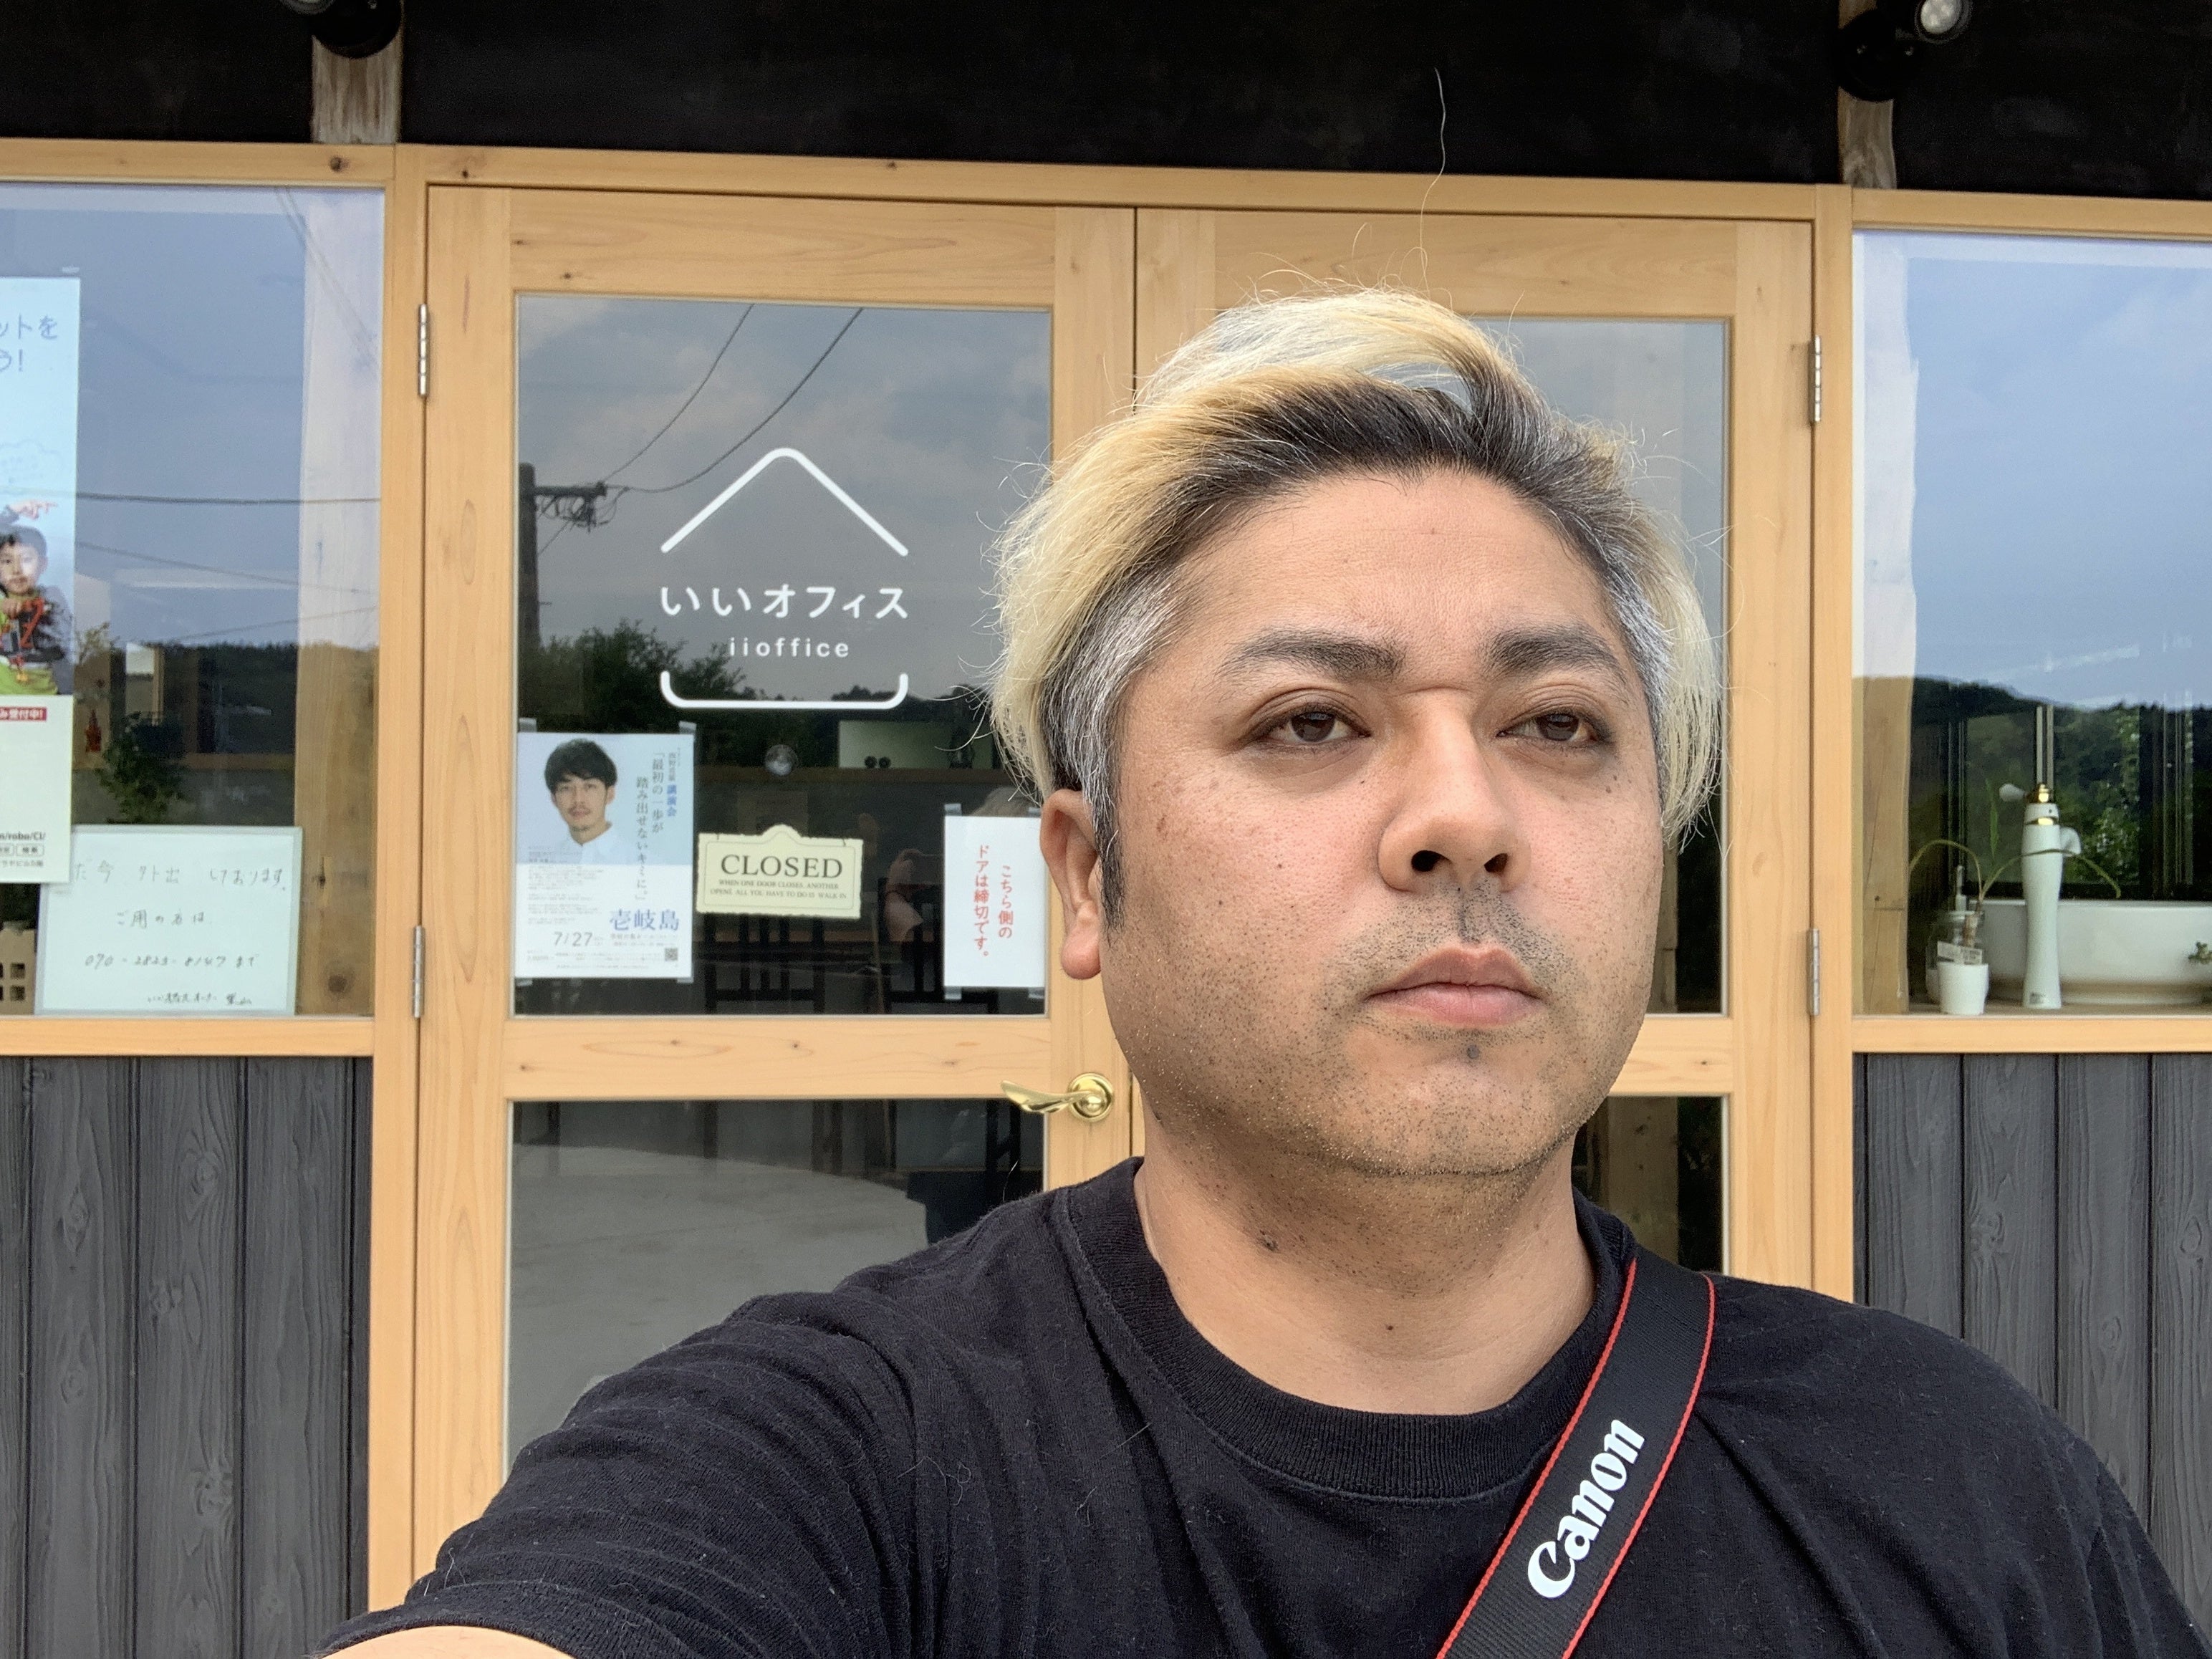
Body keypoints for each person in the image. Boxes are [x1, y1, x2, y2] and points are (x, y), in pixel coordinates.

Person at [326, 292, 2206, 1658]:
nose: (1463, 814)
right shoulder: (837, 1462)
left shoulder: (1954, 1484)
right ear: (1088, 877)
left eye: (1557, 723)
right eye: (1311, 720)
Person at [535, 737, 636, 865]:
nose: (578, 799)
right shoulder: (543, 864)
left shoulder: (641, 863)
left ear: (610, 794)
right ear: (554, 799)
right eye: (566, 788)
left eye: (589, 787)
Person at [0, 521, 72, 696]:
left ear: (43, 564)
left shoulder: (52, 598)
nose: (16, 570)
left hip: (49, 698)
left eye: (26, 560)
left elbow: (63, 635)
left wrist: (31, 608)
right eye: (7, 561)